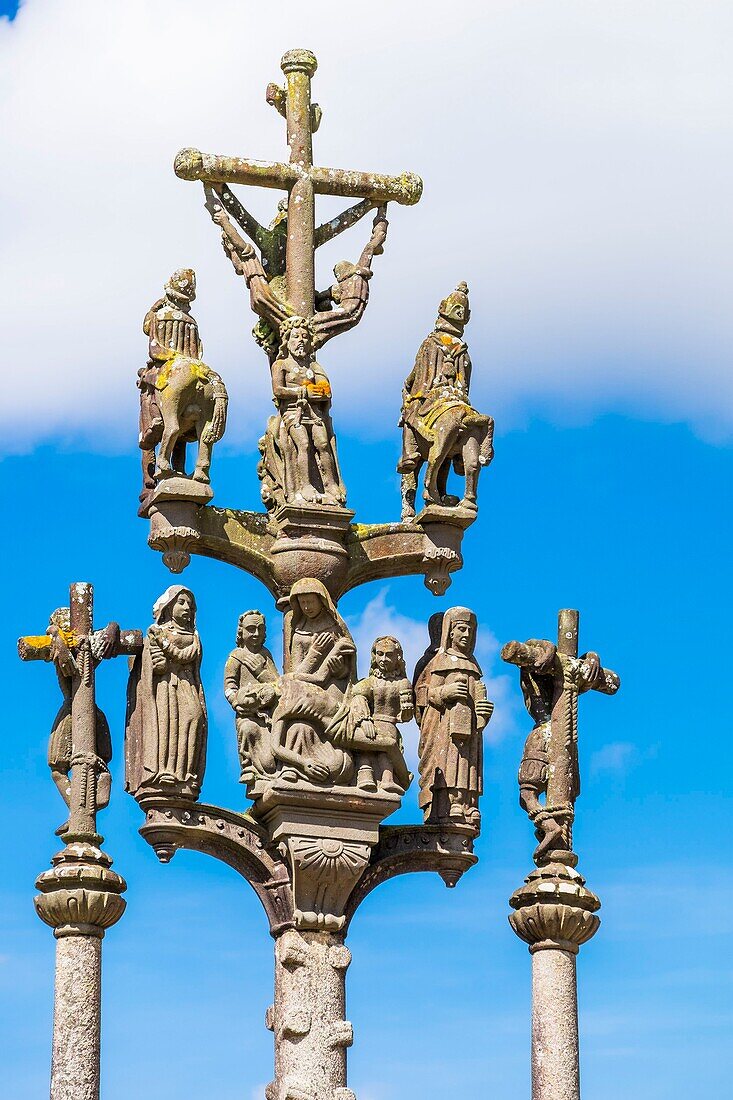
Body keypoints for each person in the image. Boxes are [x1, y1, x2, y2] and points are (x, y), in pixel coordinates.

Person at [268, 578, 355, 785]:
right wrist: (315, 653)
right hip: (304, 694)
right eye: (302, 603)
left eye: (310, 602)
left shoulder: (335, 629)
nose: (306, 607)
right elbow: (298, 673)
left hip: (332, 695)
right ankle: (294, 767)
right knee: (299, 727)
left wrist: (339, 669)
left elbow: (348, 672)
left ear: (322, 601)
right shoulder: (299, 632)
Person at [415, 606, 493, 829]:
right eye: (461, 629)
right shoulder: (440, 661)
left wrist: (483, 712)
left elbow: (479, 697)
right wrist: (444, 693)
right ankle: (451, 802)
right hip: (446, 729)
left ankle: (468, 803)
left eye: (470, 630)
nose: (466, 635)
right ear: (449, 632)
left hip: (470, 730)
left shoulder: (474, 667)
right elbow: (424, 694)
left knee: (469, 765)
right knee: (450, 762)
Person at [126, 585, 207, 800]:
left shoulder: (194, 637)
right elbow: (146, 662)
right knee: (167, 725)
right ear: (169, 606)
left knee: (194, 718)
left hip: (187, 685)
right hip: (165, 686)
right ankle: (166, 771)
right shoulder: (158, 633)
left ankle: (187, 774)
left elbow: (190, 659)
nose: (187, 607)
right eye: (181, 602)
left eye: (190, 604)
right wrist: (152, 659)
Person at [270, 316, 345, 505]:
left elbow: (326, 391)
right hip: (292, 413)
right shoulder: (281, 365)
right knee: (302, 445)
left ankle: (330, 485)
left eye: (304, 337)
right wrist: (302, 391)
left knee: (322, 444)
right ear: (287, 341)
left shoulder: (313, 366)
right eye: (295, 337)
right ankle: (305, 485)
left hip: (314, 414)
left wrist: (310, 393)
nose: (300, 341)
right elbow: (278, 390)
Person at [345, 636, 414, 793]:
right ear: (374, 656)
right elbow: (357, 697)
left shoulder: (403, 683)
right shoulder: (370, 682)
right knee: (365, 745)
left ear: (398, 657)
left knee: (387, 746)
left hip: (389, 724)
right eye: (380, 654)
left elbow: (406, 715)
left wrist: (406, 711)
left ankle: (387, 778)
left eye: (389, 654)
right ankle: (365, 775)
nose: (384, 659)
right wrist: (364, 720)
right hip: (370, 722)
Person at [224, 611, 280, 783]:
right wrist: (235, 701)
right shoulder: (236, 656)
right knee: (247, 730)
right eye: (251, 629)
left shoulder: (266, 655)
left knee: (274, 745)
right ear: (242, 632)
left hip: (268, 712)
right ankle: (248, 767)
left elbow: (278, 684)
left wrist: (260, 672)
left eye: (260, 629)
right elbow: (229, 685)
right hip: (247, 712)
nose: (256, 633)